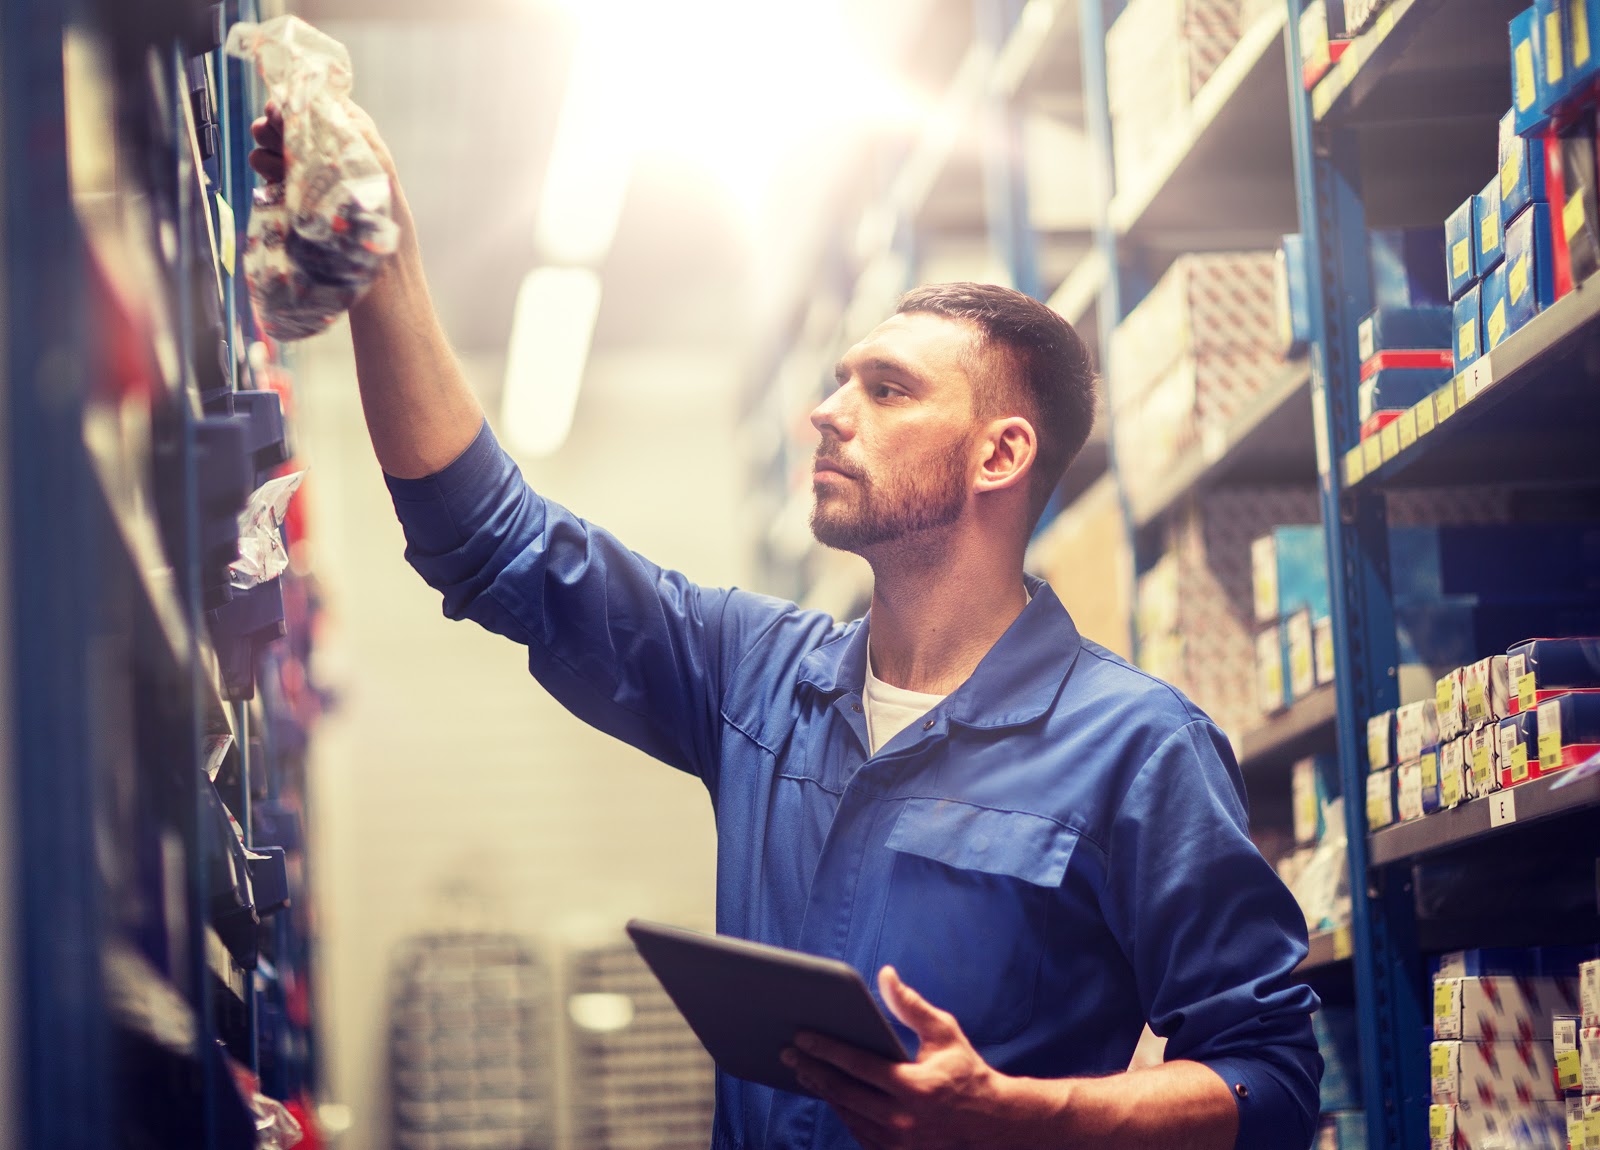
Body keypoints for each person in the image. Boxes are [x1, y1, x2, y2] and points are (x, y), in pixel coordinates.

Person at [251, 98, 1320, 1150]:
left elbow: (1268, 1078)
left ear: (1000, 455)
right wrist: (383, 254)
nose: (827, 409)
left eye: (888, 389)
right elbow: (487, 540)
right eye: (839, 378)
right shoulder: (757, 673)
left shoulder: (1137, 748)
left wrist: (1010, 1114)